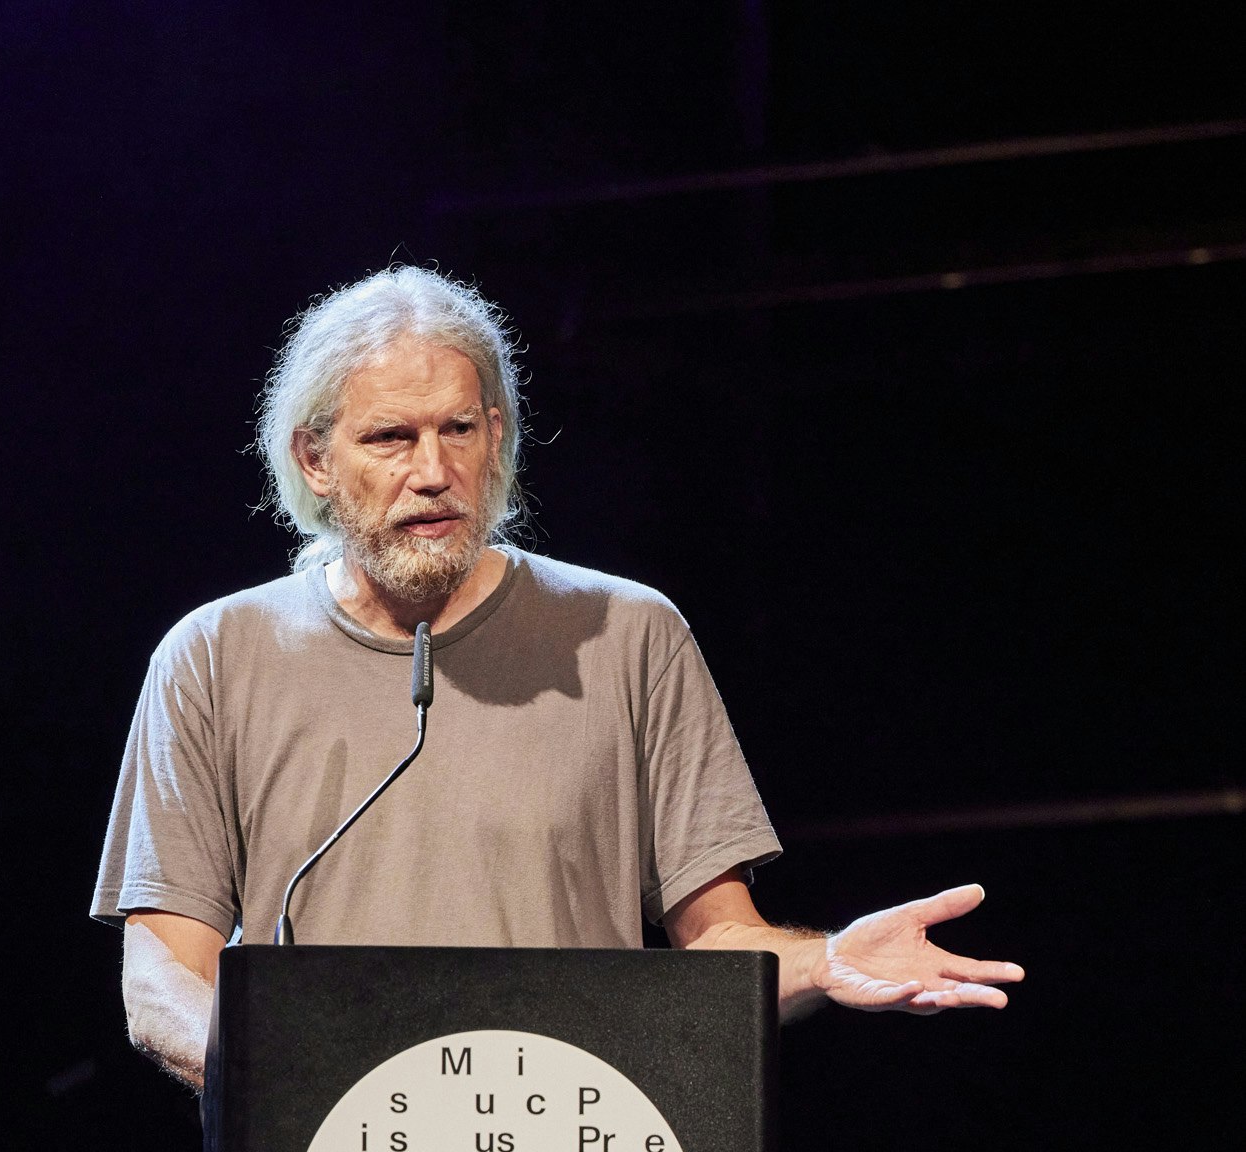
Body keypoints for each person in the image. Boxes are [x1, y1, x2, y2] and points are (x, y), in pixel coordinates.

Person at [93, 266, 1023, 1088]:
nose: (433, 471)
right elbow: (164, 973)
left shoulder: (629, 636)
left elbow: (721, 939)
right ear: (315, 458)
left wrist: (826, 960)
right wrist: (273, 1086)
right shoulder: (213, 658)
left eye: (459, 429)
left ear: (496, 437)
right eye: (390, 438)